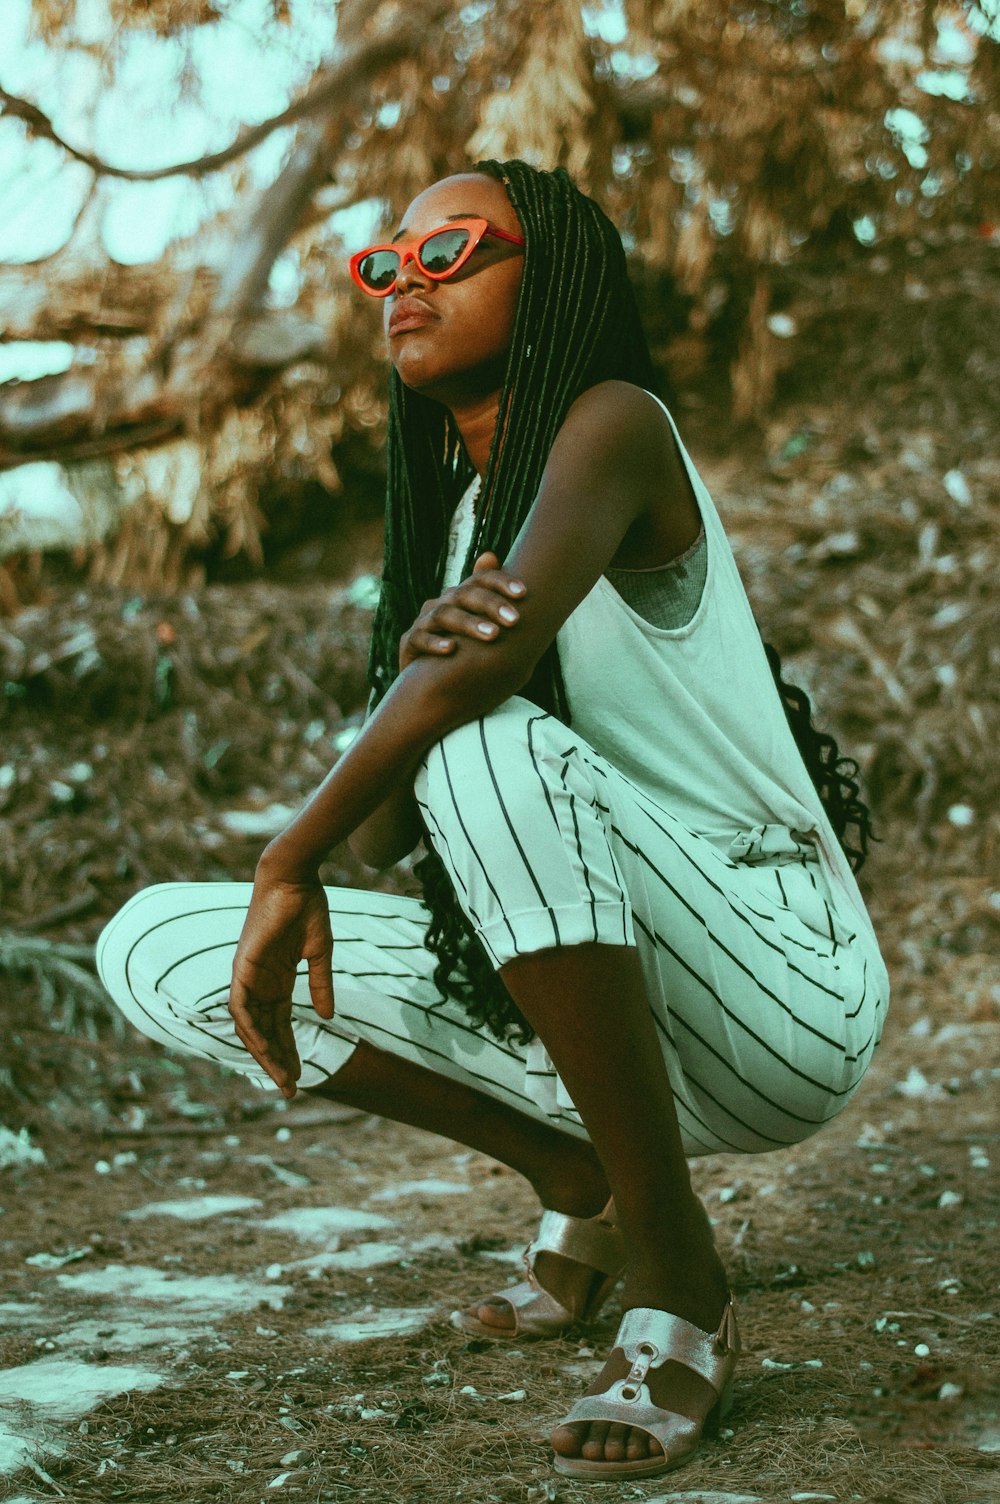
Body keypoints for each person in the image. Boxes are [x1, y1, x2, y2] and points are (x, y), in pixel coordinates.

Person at [97, 158, 890, 1483]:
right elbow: (389, 846)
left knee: (480, 741)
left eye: (451, 249)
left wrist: (294, 841)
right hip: (612, 1004)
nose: (405, 279)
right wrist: (418, 665)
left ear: (553, 274)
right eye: (383, 264)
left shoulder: (614, 424)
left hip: (777, 988)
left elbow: (454, 738)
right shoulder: (457, 517)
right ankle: (580, 1181)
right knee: (153, 948)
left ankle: (678, 1269)